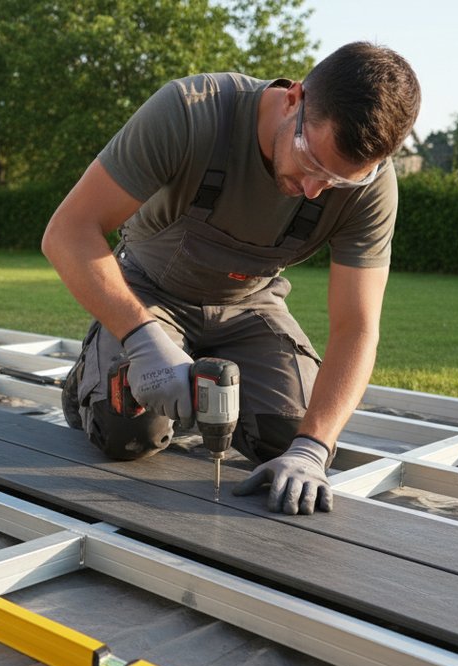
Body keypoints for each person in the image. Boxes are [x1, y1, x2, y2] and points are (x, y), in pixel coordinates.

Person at [42, 42, 421, 515]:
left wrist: (313, 449)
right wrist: (141, 341)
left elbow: (357, 327)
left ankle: (207, 387)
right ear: (293, 99)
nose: (313, 189)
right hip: (149, 290)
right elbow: (67, 232)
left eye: (339, 182)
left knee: (291, 436)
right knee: (128, 432)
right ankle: (89, 380)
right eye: (311, 161)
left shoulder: (372, 188)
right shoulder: (192, 113)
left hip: (250, 306)